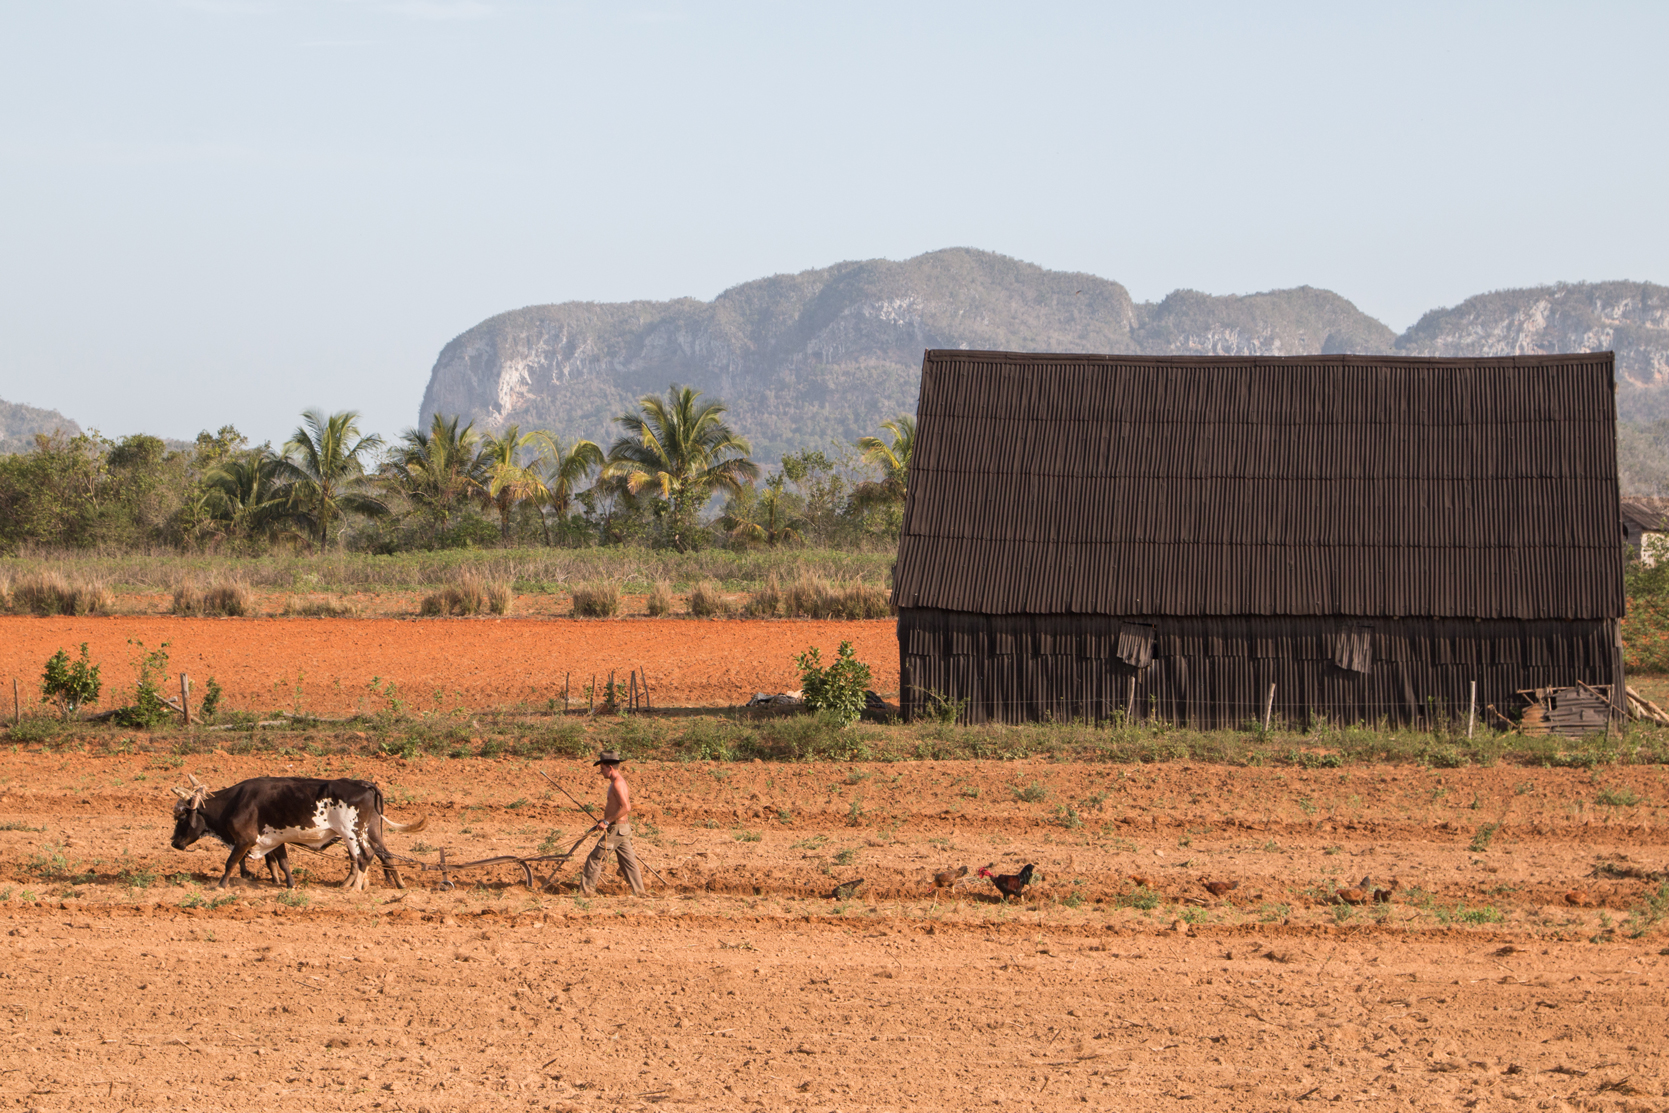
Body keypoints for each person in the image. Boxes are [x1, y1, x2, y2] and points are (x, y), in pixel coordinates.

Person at [580, 750, 647, 897]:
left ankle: (586, 893)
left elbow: (626, 807)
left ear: (610, 768)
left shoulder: (617, 784)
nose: (601, 772)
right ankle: (640, 892)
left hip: (617, 829)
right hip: (620, 829)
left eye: (602, 769)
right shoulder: (616, 782)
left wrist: (607, 821)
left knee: (595, 858)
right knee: (628, 863)